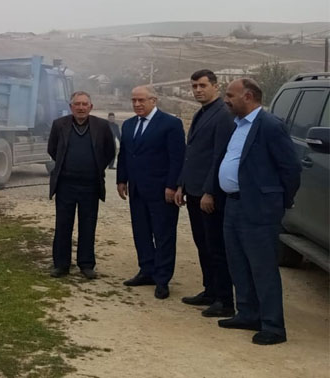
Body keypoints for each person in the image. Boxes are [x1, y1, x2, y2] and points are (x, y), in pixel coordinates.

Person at [216, 78, 300, 345]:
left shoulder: (270, 126)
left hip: (259, 209)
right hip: (234, 204)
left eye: (230, 95)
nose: (226, 99)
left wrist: (278, 201)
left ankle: (273, 326)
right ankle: (248, 313)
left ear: (248, 96)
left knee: (263, 268)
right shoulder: (237, 125)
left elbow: (291, 169)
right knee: (238, 263)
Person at [173, 70, 236, 317]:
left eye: (202, 85)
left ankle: (224, 299)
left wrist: (210, 191)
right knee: (202, 245)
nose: (198, 90)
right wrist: (181, 185)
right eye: (194, 86)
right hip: (194, 190)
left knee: (215, 247)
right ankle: (209, 290)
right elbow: (192, 154)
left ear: (215, 86)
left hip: (209, 195)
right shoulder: (202, 113)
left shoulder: (223, 115)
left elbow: (219, 157)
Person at [117, 85, 185, 299]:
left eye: (141, 100)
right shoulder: (128, 126)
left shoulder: (171, 124)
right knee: (142, 232)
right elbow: (125, 155)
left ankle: (162, 278)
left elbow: (177, 157)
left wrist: (172, 185)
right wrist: (121, 179)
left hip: (161, 190)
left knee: (163, 234)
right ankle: (146, 270)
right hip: (137, 189)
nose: (137, 104)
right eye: (134, 100)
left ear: (153, 100)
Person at [47, 92, 116, 279]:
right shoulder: (59, 124)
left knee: (88, 225)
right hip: (65, 185)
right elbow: (52, 149)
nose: (81, 107)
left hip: (90, 185)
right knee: (63, 225)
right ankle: (61, 265)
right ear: (71, 107)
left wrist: (95, 167)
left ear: (91, 107)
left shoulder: (101, 126)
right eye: (77, 104)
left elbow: (110, 151)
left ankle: (86, 264)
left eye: (85, 104)